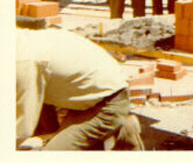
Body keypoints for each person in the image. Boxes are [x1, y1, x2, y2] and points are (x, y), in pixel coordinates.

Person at [16, 29, 144, 150]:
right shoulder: (21, 40)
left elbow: (22, 129)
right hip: (84, 92)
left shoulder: (23, 62)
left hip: (105, 104)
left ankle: (120, 127)